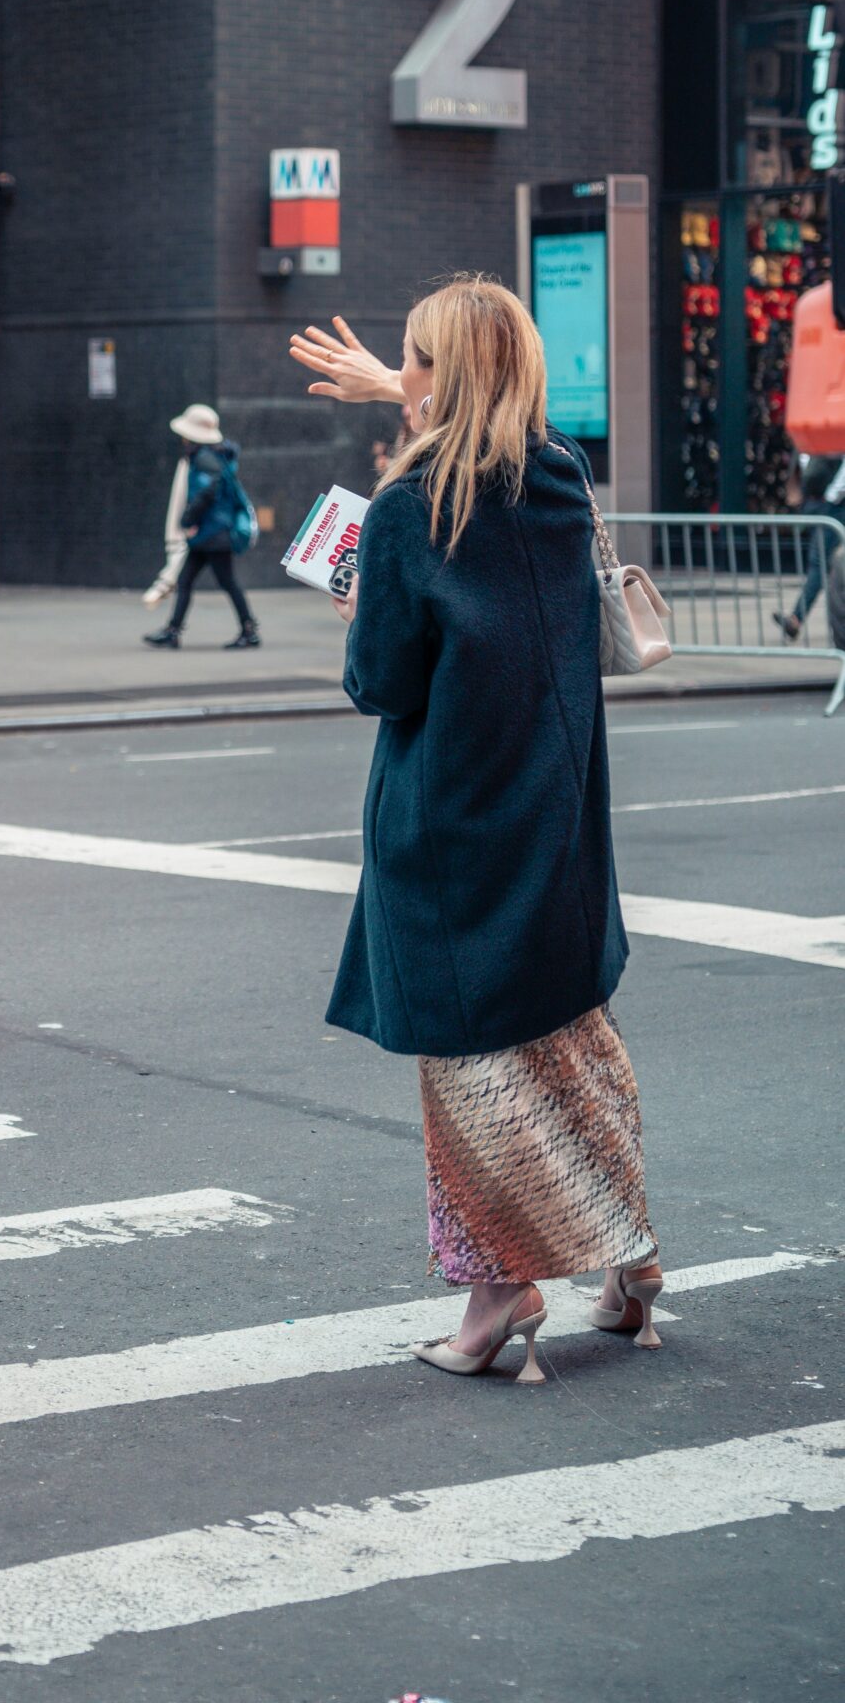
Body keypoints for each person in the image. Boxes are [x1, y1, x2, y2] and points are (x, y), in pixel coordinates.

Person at [288, 288, 662, 1381]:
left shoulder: (408, 512)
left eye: (410, 361)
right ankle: (629, 1259)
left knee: (473, 1069)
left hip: (451, 825)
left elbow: (382, 678)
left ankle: (498, 1289)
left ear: (435, 379)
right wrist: (401, 384)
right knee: (574, 1041)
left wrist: (356, 595)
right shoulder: (558, 478)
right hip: (556, 815)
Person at [143, 404, 259, 650]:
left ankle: (248, 630)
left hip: (212, 534)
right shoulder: (216, 456)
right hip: (211, 534)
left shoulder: (204, 459)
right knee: (187, 581)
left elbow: (205, 493)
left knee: (225, 582)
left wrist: (188, 520)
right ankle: (173, 630)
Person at [775, 451, 845, 640]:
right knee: (822, 563)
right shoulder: (816, 436)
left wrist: (830, 497)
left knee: (819, 563)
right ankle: (796, 618)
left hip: (833, 506)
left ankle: (796, 618)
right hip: (824, 504)